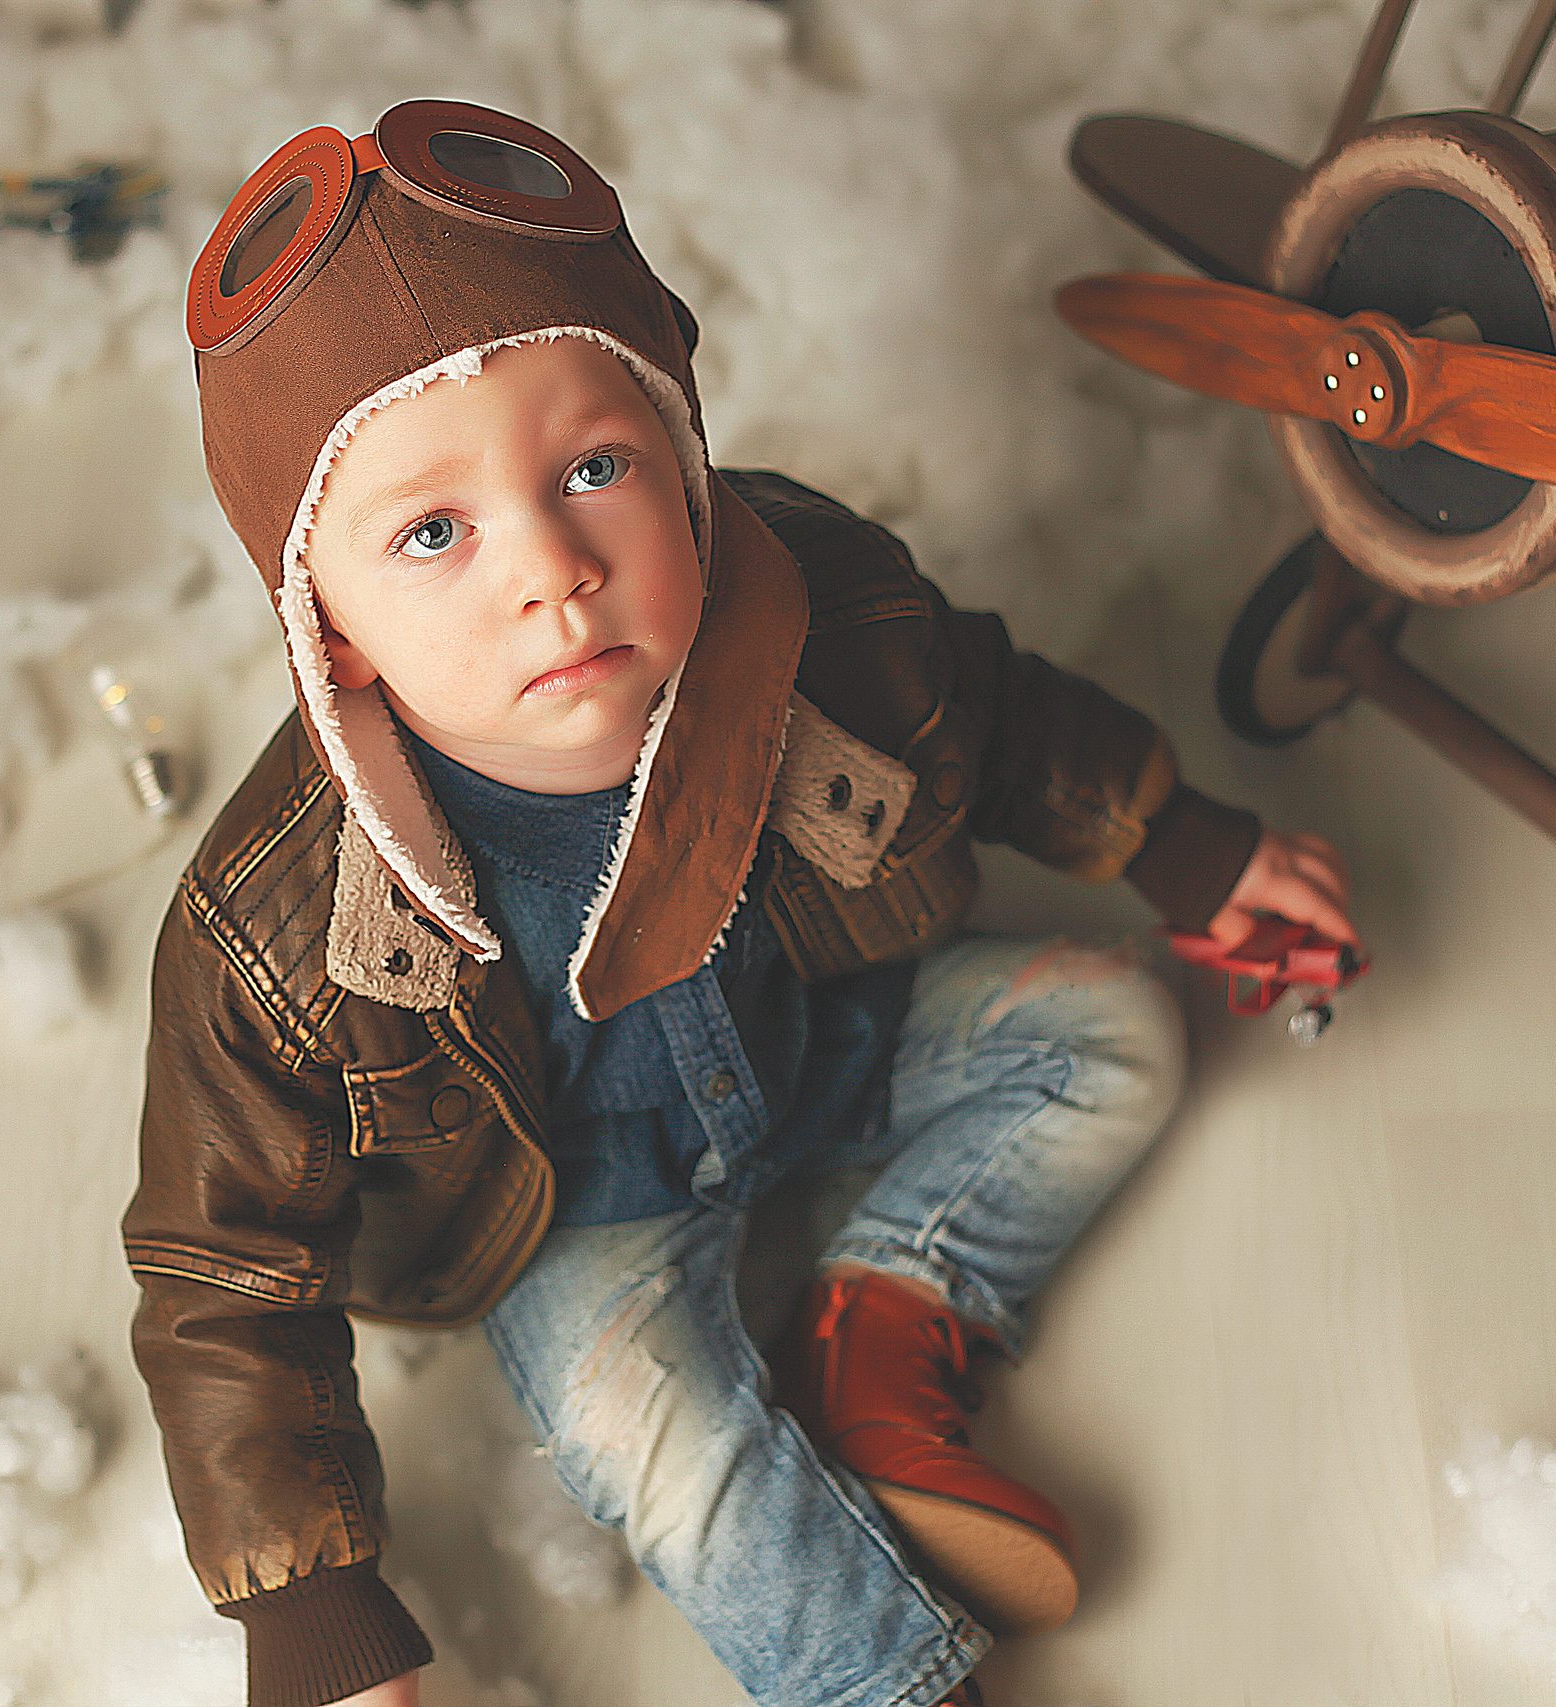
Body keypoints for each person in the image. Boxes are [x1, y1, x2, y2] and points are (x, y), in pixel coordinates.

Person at [125, 100, 1356, 1707]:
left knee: (1116, 1020)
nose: (552, 567)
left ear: (685, 462)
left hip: (827, 1040)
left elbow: (992, 712)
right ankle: (880, 1681)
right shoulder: (275, 931)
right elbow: (224, 1275)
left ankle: (885, 1323)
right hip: (567, 1203)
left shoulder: (824, 614)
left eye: (593, 467)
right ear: (328, 633)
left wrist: (1177, 840)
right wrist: (311, 1611)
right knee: (656, 1430)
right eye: (433, 532)